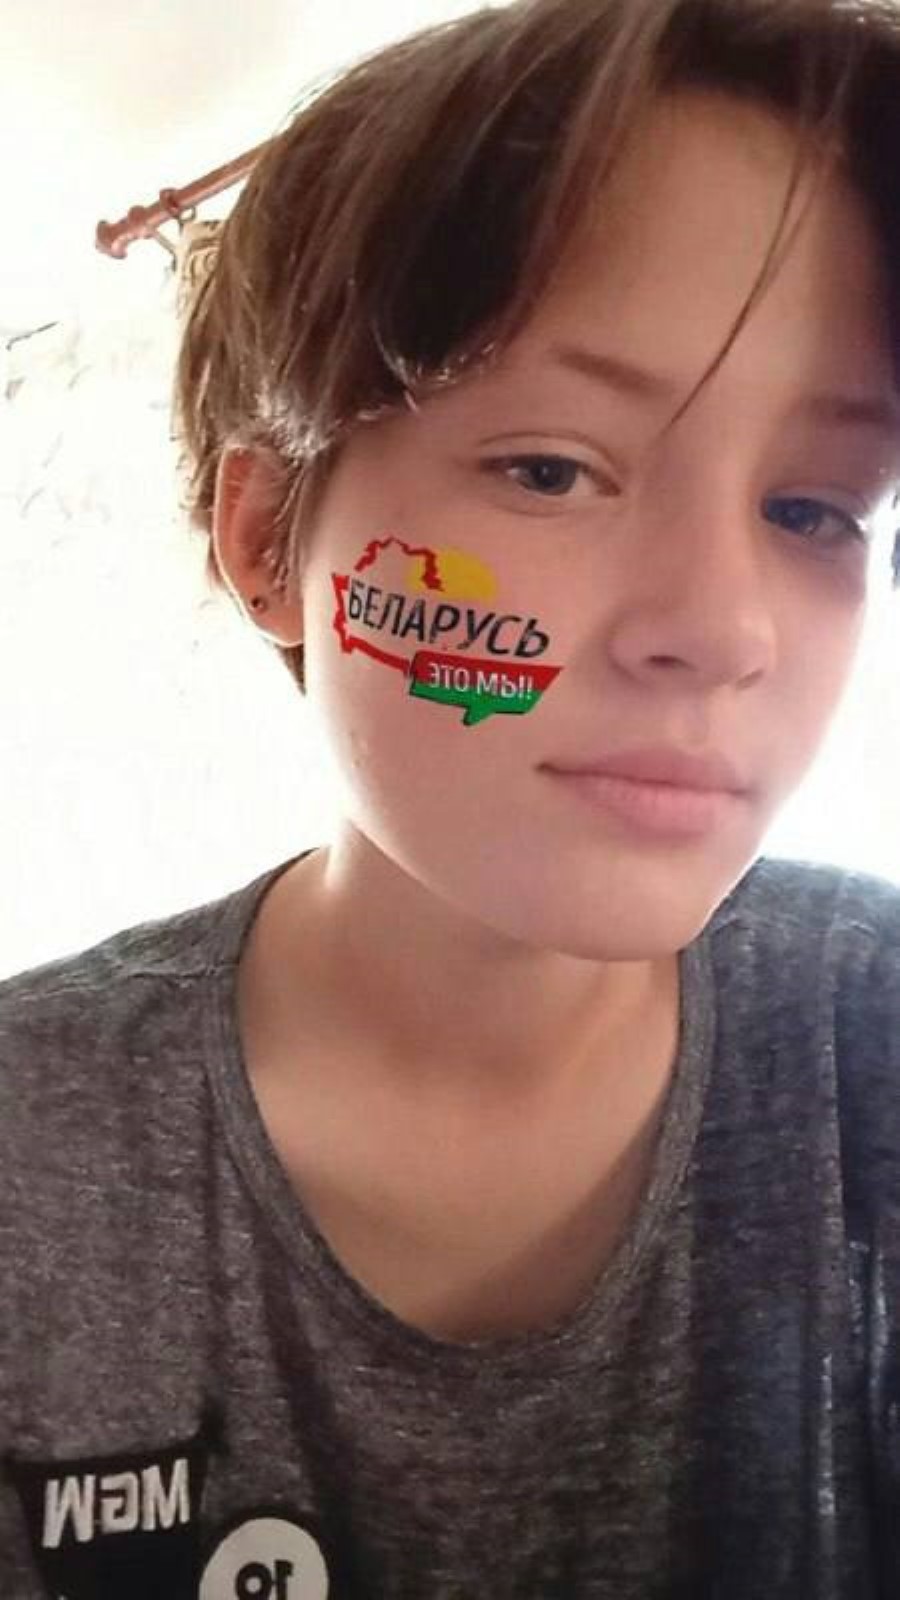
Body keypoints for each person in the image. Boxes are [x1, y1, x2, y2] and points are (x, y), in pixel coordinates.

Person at [3, 0, 900, 1593]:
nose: (723, 631)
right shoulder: (34, 1144)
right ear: (269, 538)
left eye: (814, 509)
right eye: (551, 469)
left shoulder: (870, 1044)